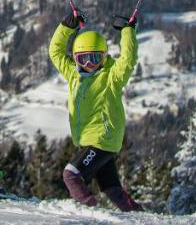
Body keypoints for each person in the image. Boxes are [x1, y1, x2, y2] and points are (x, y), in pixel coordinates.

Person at [49, 11, 142, 212]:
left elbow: (128, 59)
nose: (90, 64)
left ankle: (87, 210)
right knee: (111, 189)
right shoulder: (74, 74)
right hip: (89, 141)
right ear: (75, 59)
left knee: (71, 175)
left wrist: (128, 32)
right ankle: (137, 215)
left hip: (103, 139)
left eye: (95, 58)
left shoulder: (111, 77)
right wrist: (67, 27)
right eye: (84, 59)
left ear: (105, 57)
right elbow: (55, 52)